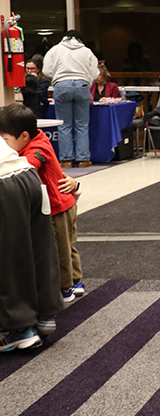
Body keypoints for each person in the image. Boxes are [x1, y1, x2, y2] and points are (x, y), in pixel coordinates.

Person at [0, 103, 85, 304]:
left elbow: (29, 166)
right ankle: (74, 280)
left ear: (23, 136)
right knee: (67, 244)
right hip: (64, 203)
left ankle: (65, 288)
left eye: (5, 141)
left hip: (57, 207)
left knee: (59, 248)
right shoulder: (37, 139)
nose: (3, 146)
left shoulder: (37, 148)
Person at [0, 137, 64, 352]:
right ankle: (45, 313)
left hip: (4, 186)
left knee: (9, 255)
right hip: (28, 176)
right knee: (39, 247)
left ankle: (20, 328)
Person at [42, 30, 100, 168]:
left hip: (61, 85)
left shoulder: (54, 50)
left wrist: (58, 76)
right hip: (82, 85)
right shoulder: (87, 51)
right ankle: (83, 159)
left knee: (64, 125)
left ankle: (66, 160)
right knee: (82, 125)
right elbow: (95, 73)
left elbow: (46, 71)